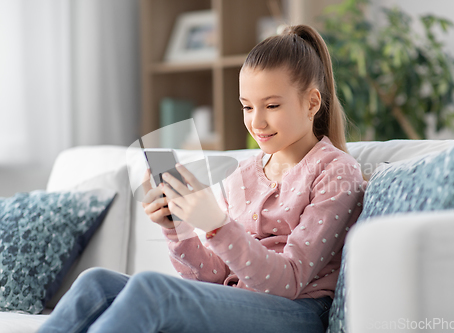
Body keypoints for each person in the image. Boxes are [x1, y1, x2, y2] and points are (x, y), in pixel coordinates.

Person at [37, 24, 365, 333]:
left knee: (152, 289)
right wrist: (176, 226)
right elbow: (213, 278)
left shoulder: (335, 171)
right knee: (95, 283)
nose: (257, 122)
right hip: (244, 302)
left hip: (299, 311)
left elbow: (290, 280)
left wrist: (219, 225)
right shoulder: (245, 175)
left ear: (312, 102)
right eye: (247, 107)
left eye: (272, 105)